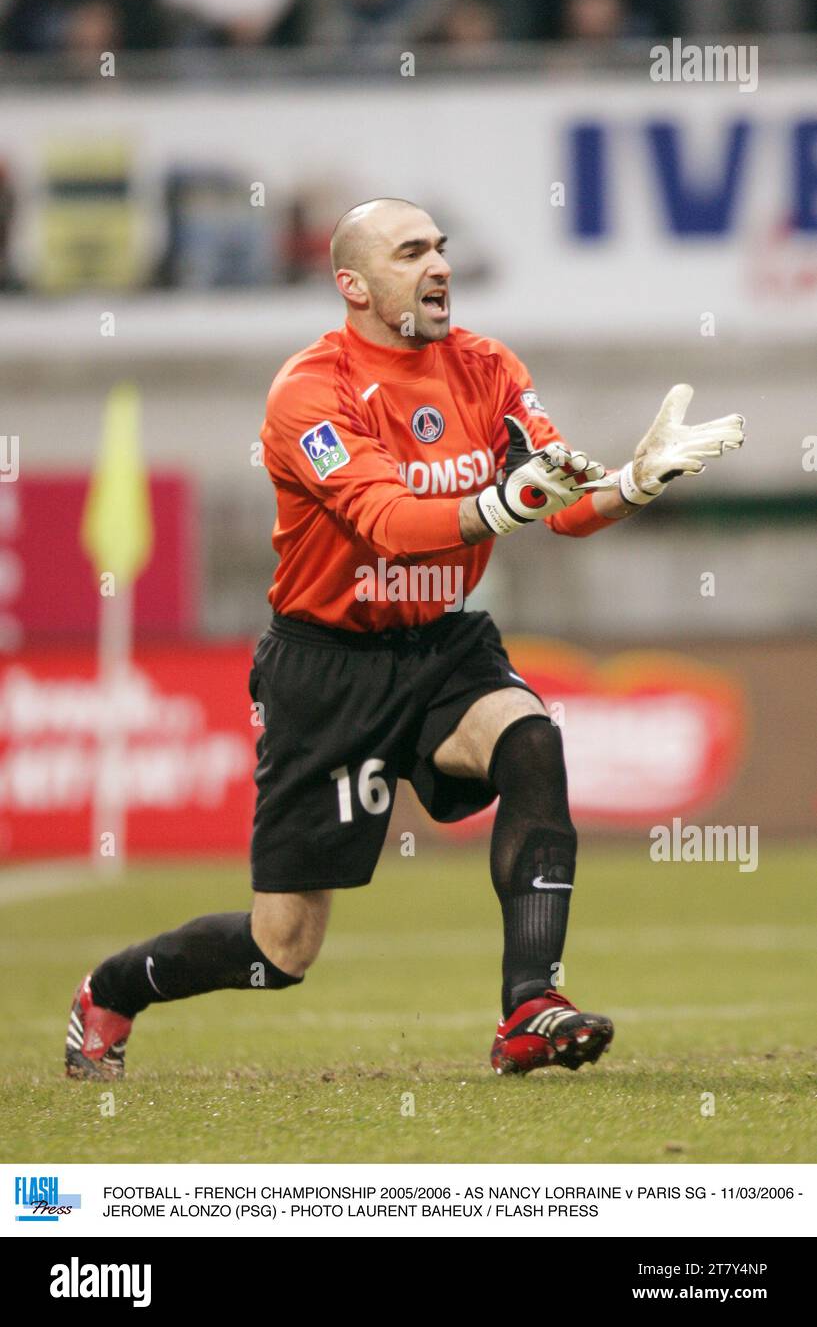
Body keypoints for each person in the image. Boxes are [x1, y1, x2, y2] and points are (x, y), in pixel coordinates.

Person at [65, 198, 745, 1081]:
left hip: (442, 645)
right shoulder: (310, 392)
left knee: (531, 743)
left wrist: (630, 486)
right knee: (281, 950)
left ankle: (530, 1008)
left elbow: (561, 499)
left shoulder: (488, 367)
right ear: (352, 283)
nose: (438, 267)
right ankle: (112, 990)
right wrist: (504, 504)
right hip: (325, 667)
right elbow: (386, 520)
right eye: (410, 252)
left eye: (441, 248)